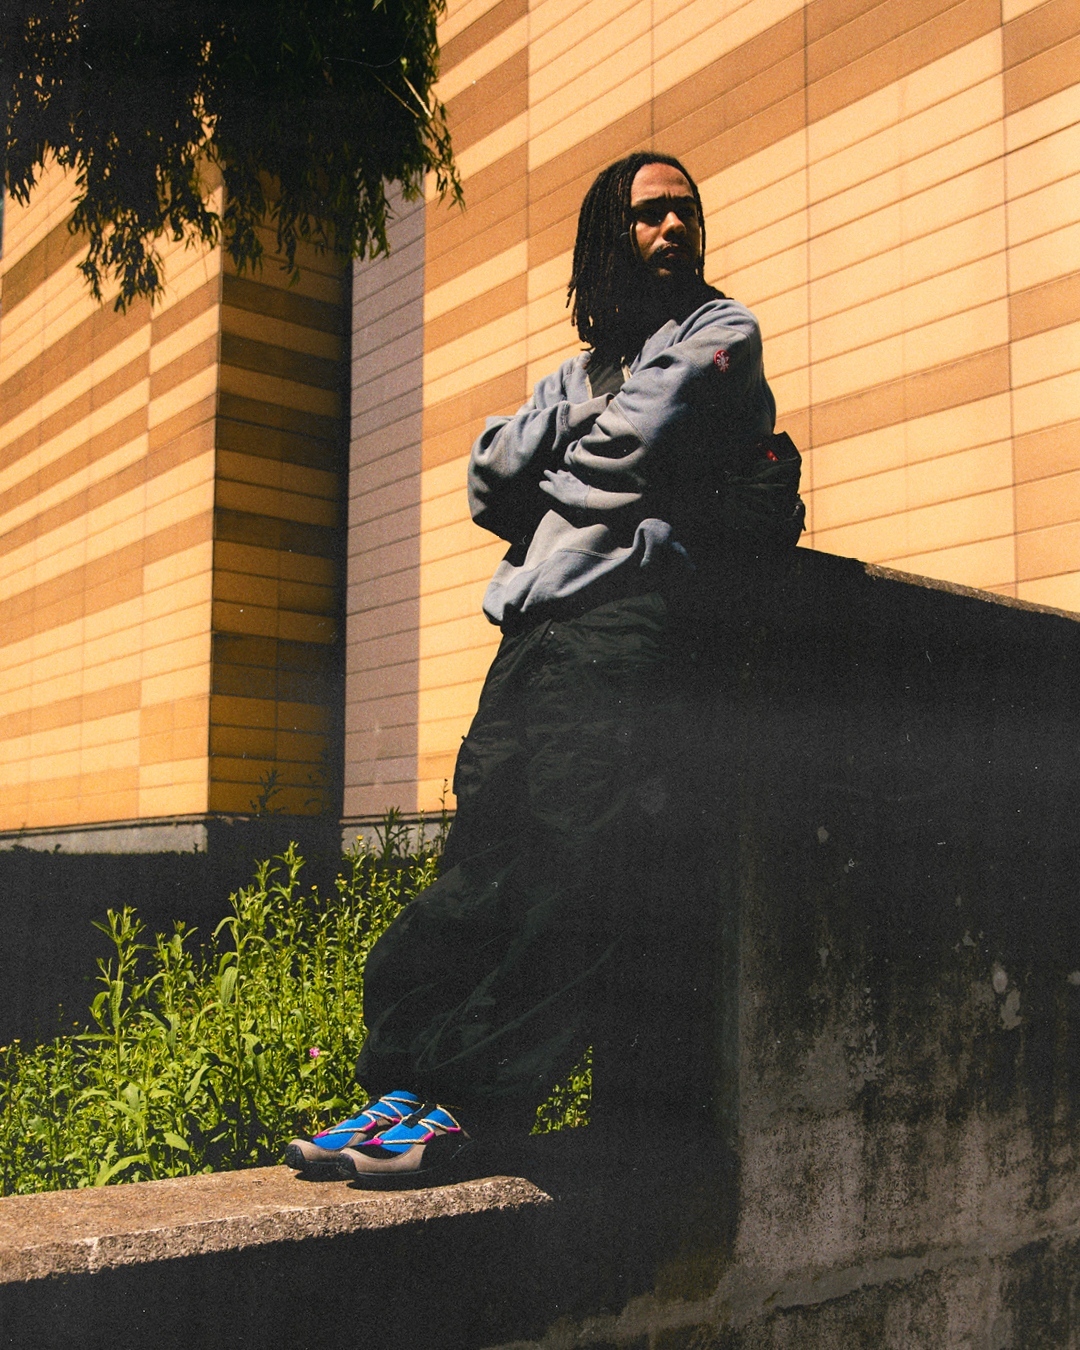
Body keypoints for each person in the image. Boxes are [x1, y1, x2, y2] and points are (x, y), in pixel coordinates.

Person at [286, 152, 803, 1188]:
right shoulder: (578, 374)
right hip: (532, 637)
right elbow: (488, 481)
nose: (673, 227)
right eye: (649, 214)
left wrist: (553, 465)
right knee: (479, 862)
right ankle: (406, 1085)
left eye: (685, 212)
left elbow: (629, 449)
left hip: (625, 630)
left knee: (572, 869)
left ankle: (475, 1106)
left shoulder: (719, 331)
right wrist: (572, 440)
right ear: (611, 233)